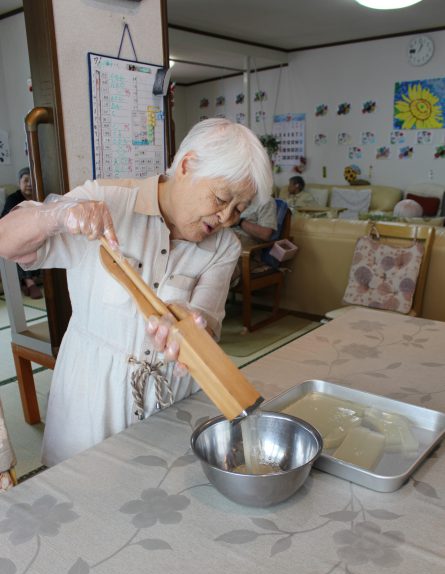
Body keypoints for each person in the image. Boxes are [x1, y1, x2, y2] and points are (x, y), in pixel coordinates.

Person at [0, 118, 272, 466]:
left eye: (239, 209)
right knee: (80, 496)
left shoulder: (224, 247)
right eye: (221, 199)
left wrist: (190, 321)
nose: (227, 218)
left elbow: (207, 323)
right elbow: (7, 242)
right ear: (187, 165)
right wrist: (58, 215)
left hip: (170, 398)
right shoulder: (105, 201)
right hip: (92, 394)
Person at [1, 167, 42, 299]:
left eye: (32, 180)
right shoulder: (13, 199)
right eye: (25, 180)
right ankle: (30, 282)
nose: (29, 184)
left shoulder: (39, 196)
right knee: (19, 247)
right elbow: (5, 221)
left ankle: (30, 280)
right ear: (19, 184)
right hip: (16, 235)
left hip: (35, 233)